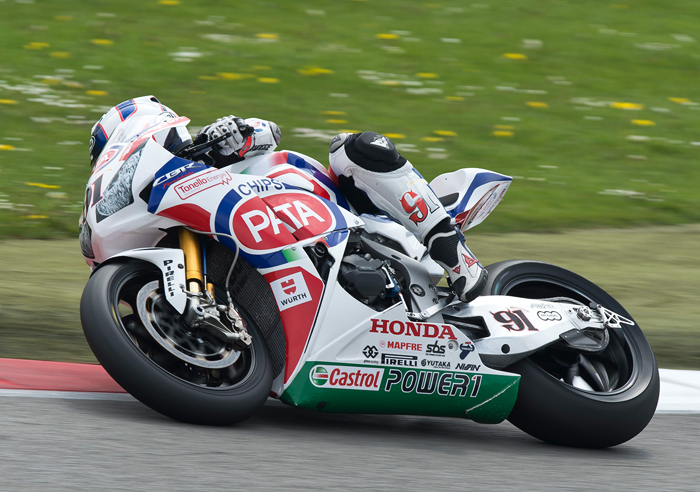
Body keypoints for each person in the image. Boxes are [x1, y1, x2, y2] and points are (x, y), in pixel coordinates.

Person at [88, 96, 487, 302]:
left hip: (341, 211)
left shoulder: (211, 148)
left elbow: (270, 132)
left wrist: (234, 132)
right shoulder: (168, 201)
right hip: (283, 243)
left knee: (353, 148)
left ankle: (456, 256)